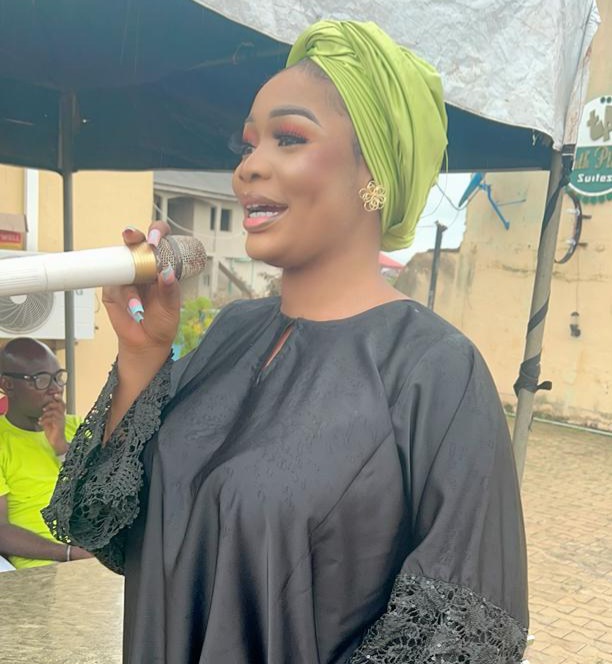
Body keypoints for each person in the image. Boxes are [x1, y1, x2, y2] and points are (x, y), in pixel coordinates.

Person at [43, 20, 528, 663]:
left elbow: (462, 636)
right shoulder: (231, 333)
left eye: (290, 138)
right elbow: (107, 526)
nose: (248, 168)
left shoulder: (436, 372)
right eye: (247, 145)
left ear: (374, 170)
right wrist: (142, 355)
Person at [0, 338, 92, 568]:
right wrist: (68, 553)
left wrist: (61, 446)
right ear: (7, 384)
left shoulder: (77, 427)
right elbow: (1, 529)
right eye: (41, 380)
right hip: (41, 566)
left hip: (96, 554)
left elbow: (102, 492)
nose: (55, 389)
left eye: (58, 377)